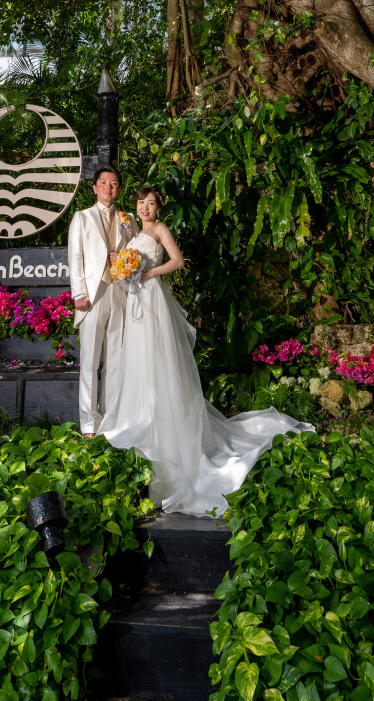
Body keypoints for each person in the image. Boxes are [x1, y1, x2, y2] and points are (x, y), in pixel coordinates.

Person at [98, 185, 313, 516]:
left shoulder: (160, 230)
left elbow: (178, 261)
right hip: (138, 304)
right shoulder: (136, 234)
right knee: (139, 363)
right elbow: (126, 270)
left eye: (151, 203)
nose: (145, 208)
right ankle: (142, 420)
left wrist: (148, 273)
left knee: (160, 363)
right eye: (141, 203)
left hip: (154, 302)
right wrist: (123, 269)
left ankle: (172, 435)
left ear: (159, 208)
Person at [68, 167, 139, 435]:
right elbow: (75, 257)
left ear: (119, 189)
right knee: (89, 362)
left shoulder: (128, 219)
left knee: (116, 361)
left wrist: (126, 260)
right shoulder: (82, 217)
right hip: (94, 294)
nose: (109, 187)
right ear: (95, 188)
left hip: (120, 292)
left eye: (114, 183)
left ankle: (110, 419)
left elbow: (136, 252)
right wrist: (79, 293)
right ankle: (88, 424)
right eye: (103, 183)